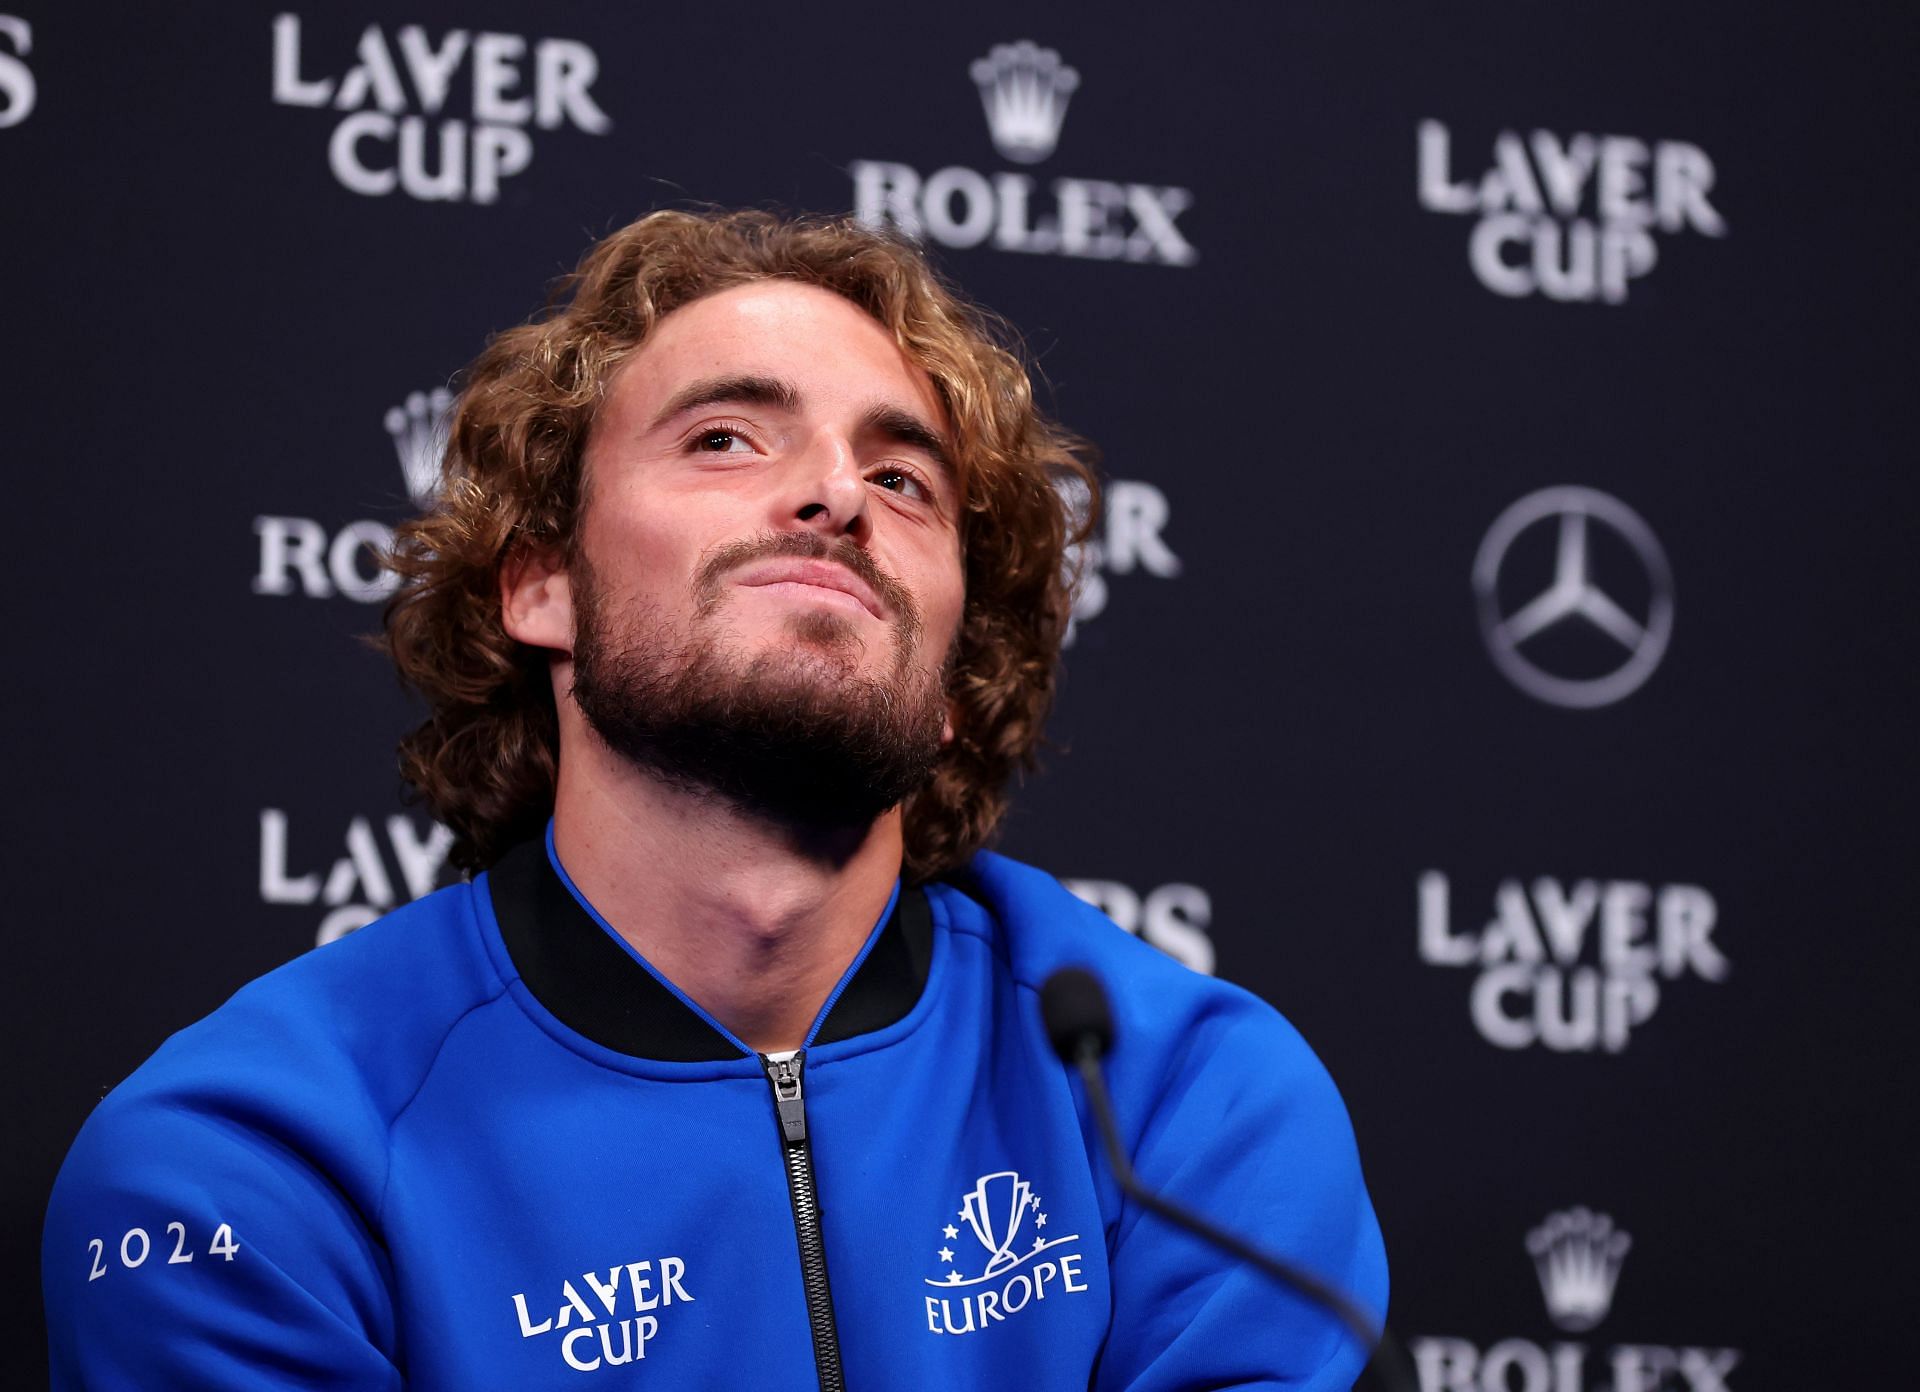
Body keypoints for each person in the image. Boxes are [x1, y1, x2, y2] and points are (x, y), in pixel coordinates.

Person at [43, 209, 1387, 1389]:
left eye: (902, 479)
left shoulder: (1188, 1104)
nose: (832, 494)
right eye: (728, 437)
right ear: (539, 584)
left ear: (952, 682)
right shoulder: (247, 1170)